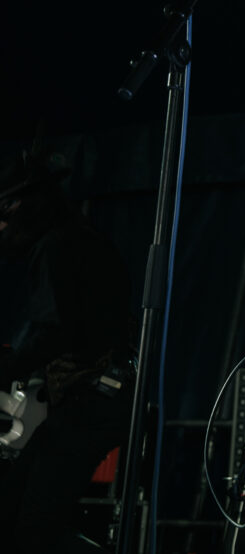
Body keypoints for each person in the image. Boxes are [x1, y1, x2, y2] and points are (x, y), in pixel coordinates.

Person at [0, 150, 138, 553]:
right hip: (97, 398)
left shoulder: (59, 246)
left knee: (28, 522)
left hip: (94, 399)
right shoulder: (77, 239)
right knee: (22, 509)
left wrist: (8, 368)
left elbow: (50, 331)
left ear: (19, 206)